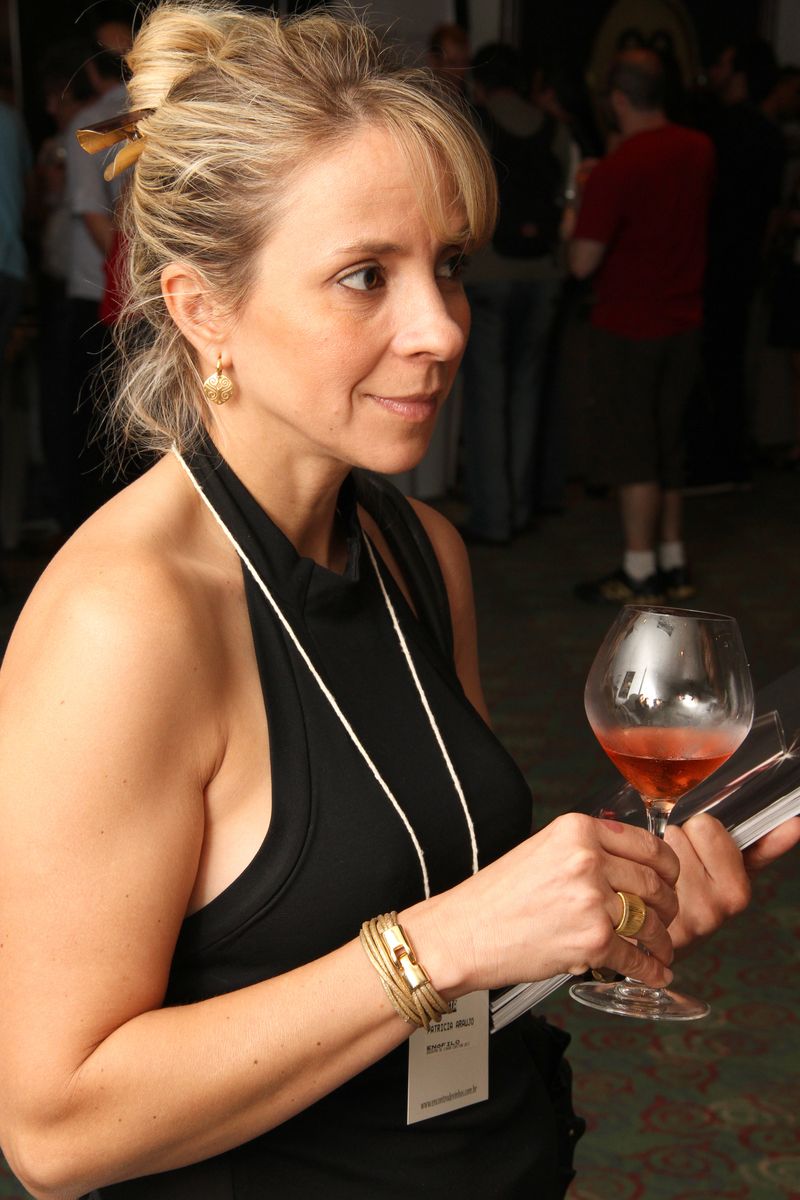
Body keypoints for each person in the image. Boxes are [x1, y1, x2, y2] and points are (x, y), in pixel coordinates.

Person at [0, 8, 797, 1199]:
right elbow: (54, 1132)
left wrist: (596, 913)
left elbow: (435, 916)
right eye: (364, 277)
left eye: (448, 267)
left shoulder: (417, 548)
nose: (439, 330)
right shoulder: (124, 623)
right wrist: (454, 938)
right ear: (202, 309)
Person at [569, 49, 715, 604]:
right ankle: (674, 560)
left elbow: (582, 261)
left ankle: (638, 569)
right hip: (685, 318)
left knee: (634, 451)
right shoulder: (699, 149)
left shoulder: (618, 169)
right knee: (668, 444)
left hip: (629, 324)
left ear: (618, 100)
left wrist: (579, 200)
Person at [460, 43, 571, 545]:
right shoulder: (554, 129)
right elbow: (568, 196)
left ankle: (494, 516)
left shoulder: (474, 123)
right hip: (543, 271)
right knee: (528, 394)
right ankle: (522, 508)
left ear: (482, 82)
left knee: (487, 399)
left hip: (489, 272)